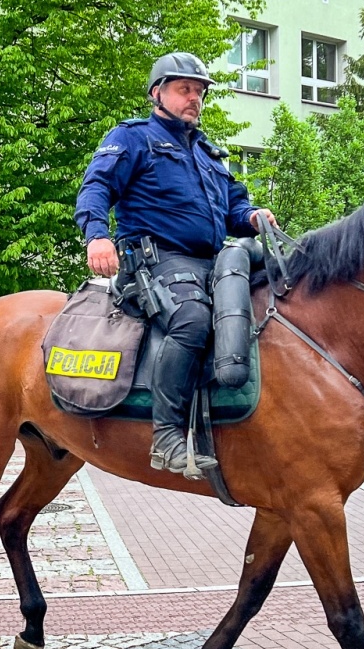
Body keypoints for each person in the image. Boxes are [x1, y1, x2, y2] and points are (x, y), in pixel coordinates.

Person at [74, 53, 274, 476]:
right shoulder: (133, 138)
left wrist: (254, 216)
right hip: (156, 262)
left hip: (210, 263)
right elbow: (96, 186)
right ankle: (166, 436)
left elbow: (235, 208)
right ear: (157, 93)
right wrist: (97, 236)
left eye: (199, 91)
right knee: (192, 320)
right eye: (185, 89)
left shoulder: (208, 153)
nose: (194, 98)